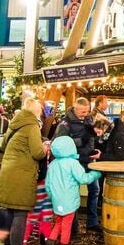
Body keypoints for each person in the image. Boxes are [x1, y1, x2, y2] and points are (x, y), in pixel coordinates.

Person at [0, 98, 50, 245]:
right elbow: (37, 153)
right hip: (22, 174)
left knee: (10, 213)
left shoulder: (14, 124)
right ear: (36, 112)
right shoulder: (32, 126)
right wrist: (45, 147)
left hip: (8, 171)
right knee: (20, 214)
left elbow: (3, 145)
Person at [44, 136, 102, 245]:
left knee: (58, 224)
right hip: (69, 201)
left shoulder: (53, 164)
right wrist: (97, 173)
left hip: (57, 200)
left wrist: (52, 197)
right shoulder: (73, 163)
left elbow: (47, 184)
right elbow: (83, 179)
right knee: (66, 227)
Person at [54, 97, 101, 234]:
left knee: (94, 190)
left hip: (89, 161)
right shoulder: (65, 124)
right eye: (82, 111)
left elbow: (91, 138)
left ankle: (92, 222)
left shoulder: (88, 119)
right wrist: (81, 141)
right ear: (75, 108)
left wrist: (96, 140)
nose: (85, 114)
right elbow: (60, 144)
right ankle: (72, 227)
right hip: (74, 162)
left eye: (87, 111)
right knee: (73, 194)